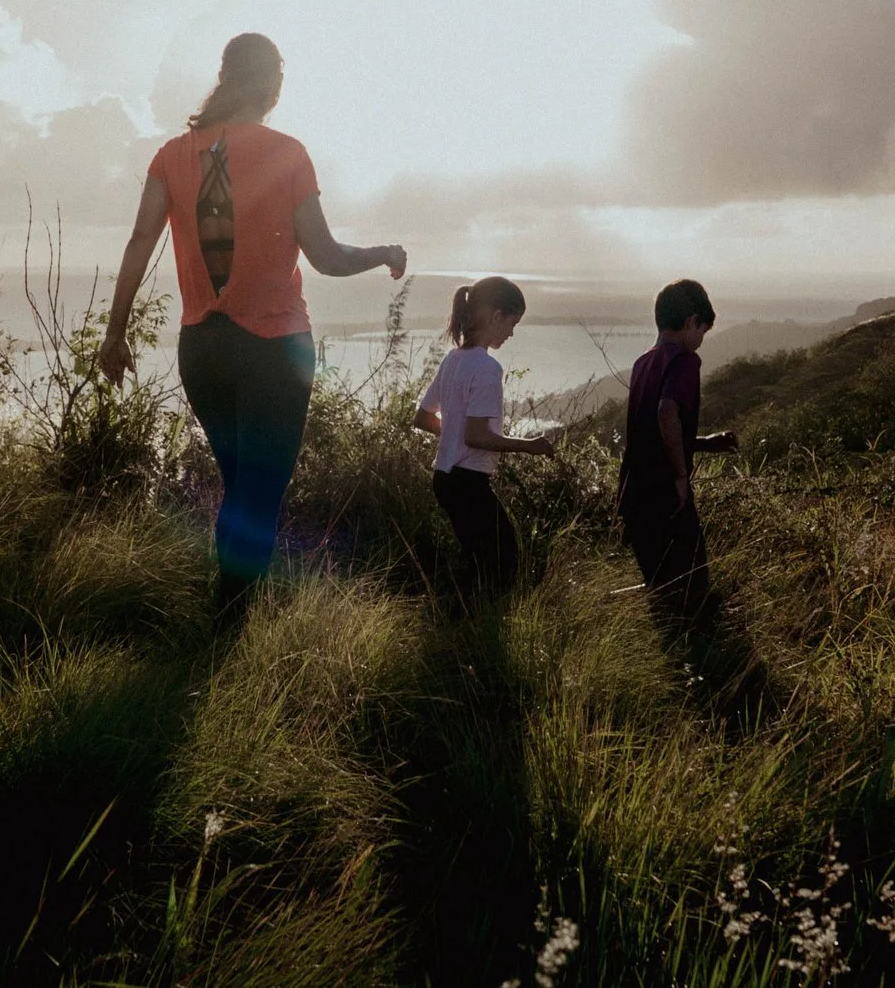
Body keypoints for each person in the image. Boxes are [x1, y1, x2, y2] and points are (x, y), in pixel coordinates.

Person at [96, 33, 405, 613]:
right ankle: (230, 628)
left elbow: (141, 241)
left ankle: (227, 615)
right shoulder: (287, 152)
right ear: (271, 84)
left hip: (203, 350)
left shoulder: (171, 155)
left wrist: (116, 334)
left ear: (224, 77)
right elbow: (326, 256)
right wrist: (383, 252)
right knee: (257, 495)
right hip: (274, 352)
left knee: (240, 487)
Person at [413, 276, 556, 598]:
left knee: (479, 563)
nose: (511, 333)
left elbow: (422, 418)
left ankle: (460, 626)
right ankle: (473, 631)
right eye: (512, 323)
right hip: (467, 481)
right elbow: (478, 436)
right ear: (496, 316)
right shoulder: (487, 368)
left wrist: (453, 434)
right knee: (503, 565)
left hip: (444, 479)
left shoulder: (453, 360)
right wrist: (529, 446)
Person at [617, 278, 739, 630]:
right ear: (691, 322)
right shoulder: (686, 361)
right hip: (664, 490)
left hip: (633, 489)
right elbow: (666, 412)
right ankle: (705, 671)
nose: (701, 339)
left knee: (660, 592)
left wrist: (703, 442)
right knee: (693, 589)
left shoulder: (643, 363)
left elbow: (648, 433)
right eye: (702, 329)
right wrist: (681, 477)